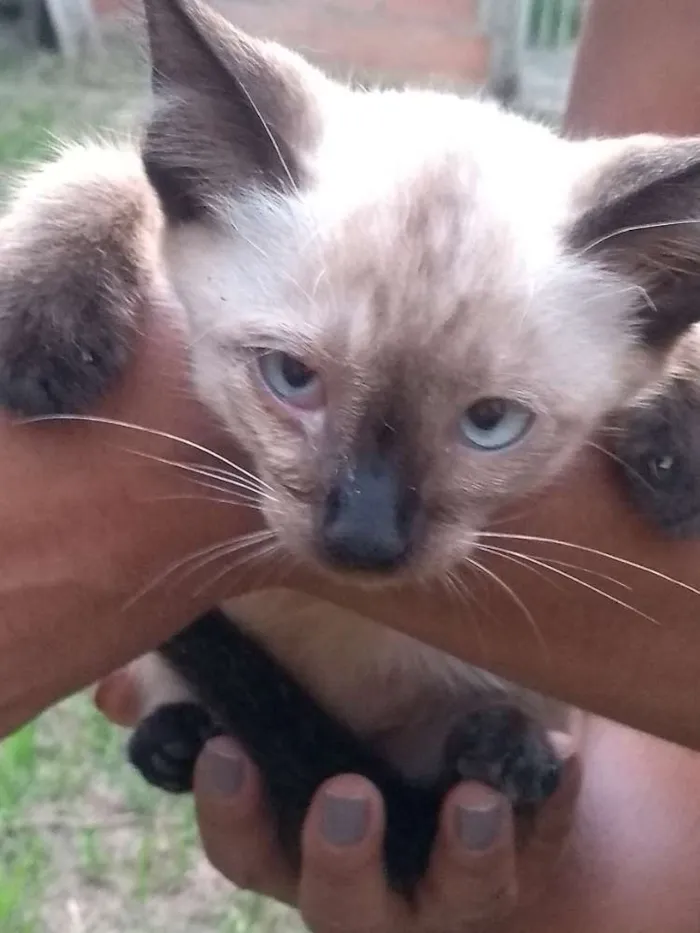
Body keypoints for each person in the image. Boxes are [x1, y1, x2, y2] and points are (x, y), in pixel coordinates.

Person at [3, 0, 700, 929]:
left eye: (488, 421)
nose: (364, 527)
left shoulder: (595, 324)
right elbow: (151, 208)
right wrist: (88, 215)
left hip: (448, 713)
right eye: (292, 375)